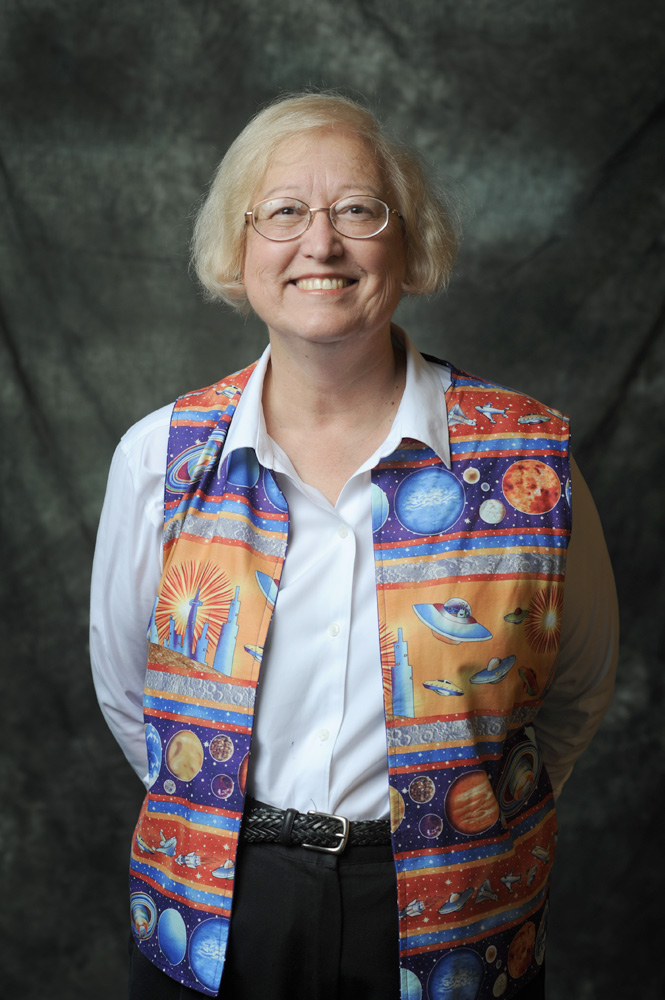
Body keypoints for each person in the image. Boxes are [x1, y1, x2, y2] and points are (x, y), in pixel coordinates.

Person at [90, 92, 618, 1000]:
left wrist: (468, 827)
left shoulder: (529, 458)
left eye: (357, 210)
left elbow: (574, 690)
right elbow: (129, 692)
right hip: (221, 905)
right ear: (240, 247)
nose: (320, 244)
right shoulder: (162, 458)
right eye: (284, 211)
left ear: (407, 245)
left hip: (453, 912)